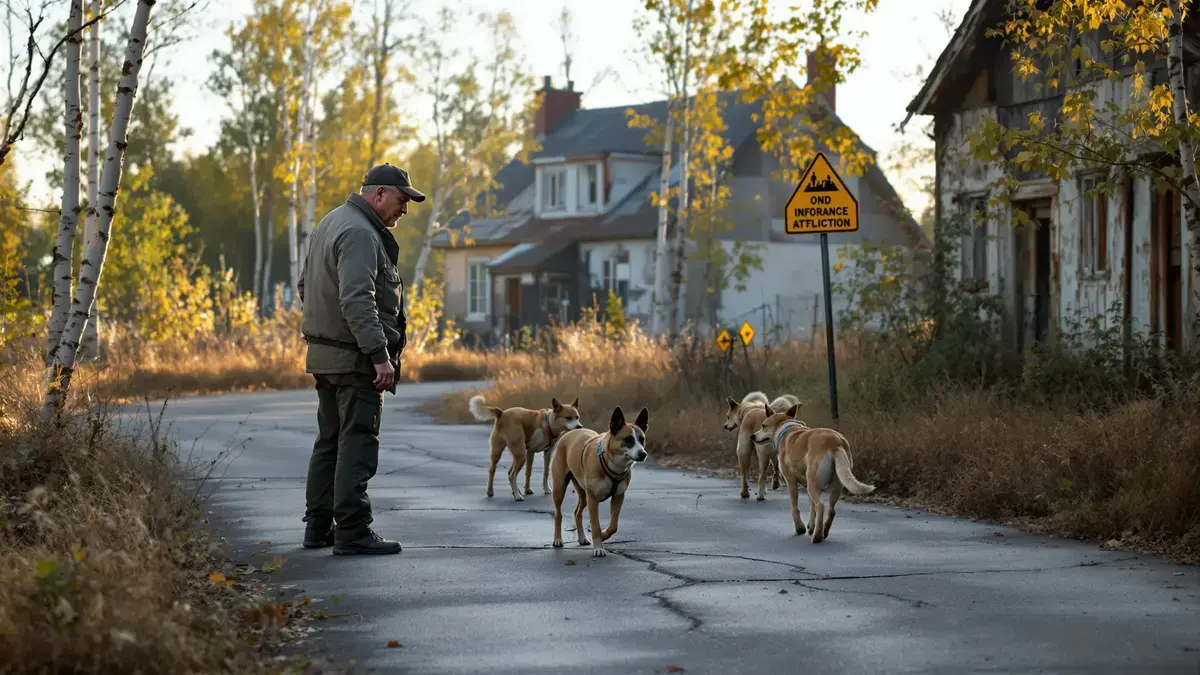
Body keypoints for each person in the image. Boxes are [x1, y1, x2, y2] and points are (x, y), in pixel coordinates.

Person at [296, 163, 425, 556]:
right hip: (354, 362)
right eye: (402, 200)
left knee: (330, 442)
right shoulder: (360, 233)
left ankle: (318, 527)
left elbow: (305, 286)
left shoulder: (331, 223)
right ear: (380, 194)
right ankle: (353, 530)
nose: (404, 210)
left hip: (326, 355)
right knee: (357, 440)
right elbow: (357, 299)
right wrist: (378, 356)